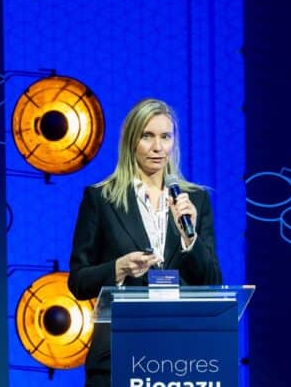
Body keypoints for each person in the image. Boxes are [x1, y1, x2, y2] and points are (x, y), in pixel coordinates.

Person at [68, 98, 222, 387]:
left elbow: (213, 283)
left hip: (182, 356)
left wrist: (190, 239)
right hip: (119, 353)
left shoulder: (195, 200)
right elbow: (77, 281)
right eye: (147, 136)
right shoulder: (101, 199)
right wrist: (119, 268)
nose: (158, 147)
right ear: (131, 141)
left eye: (166, 137)